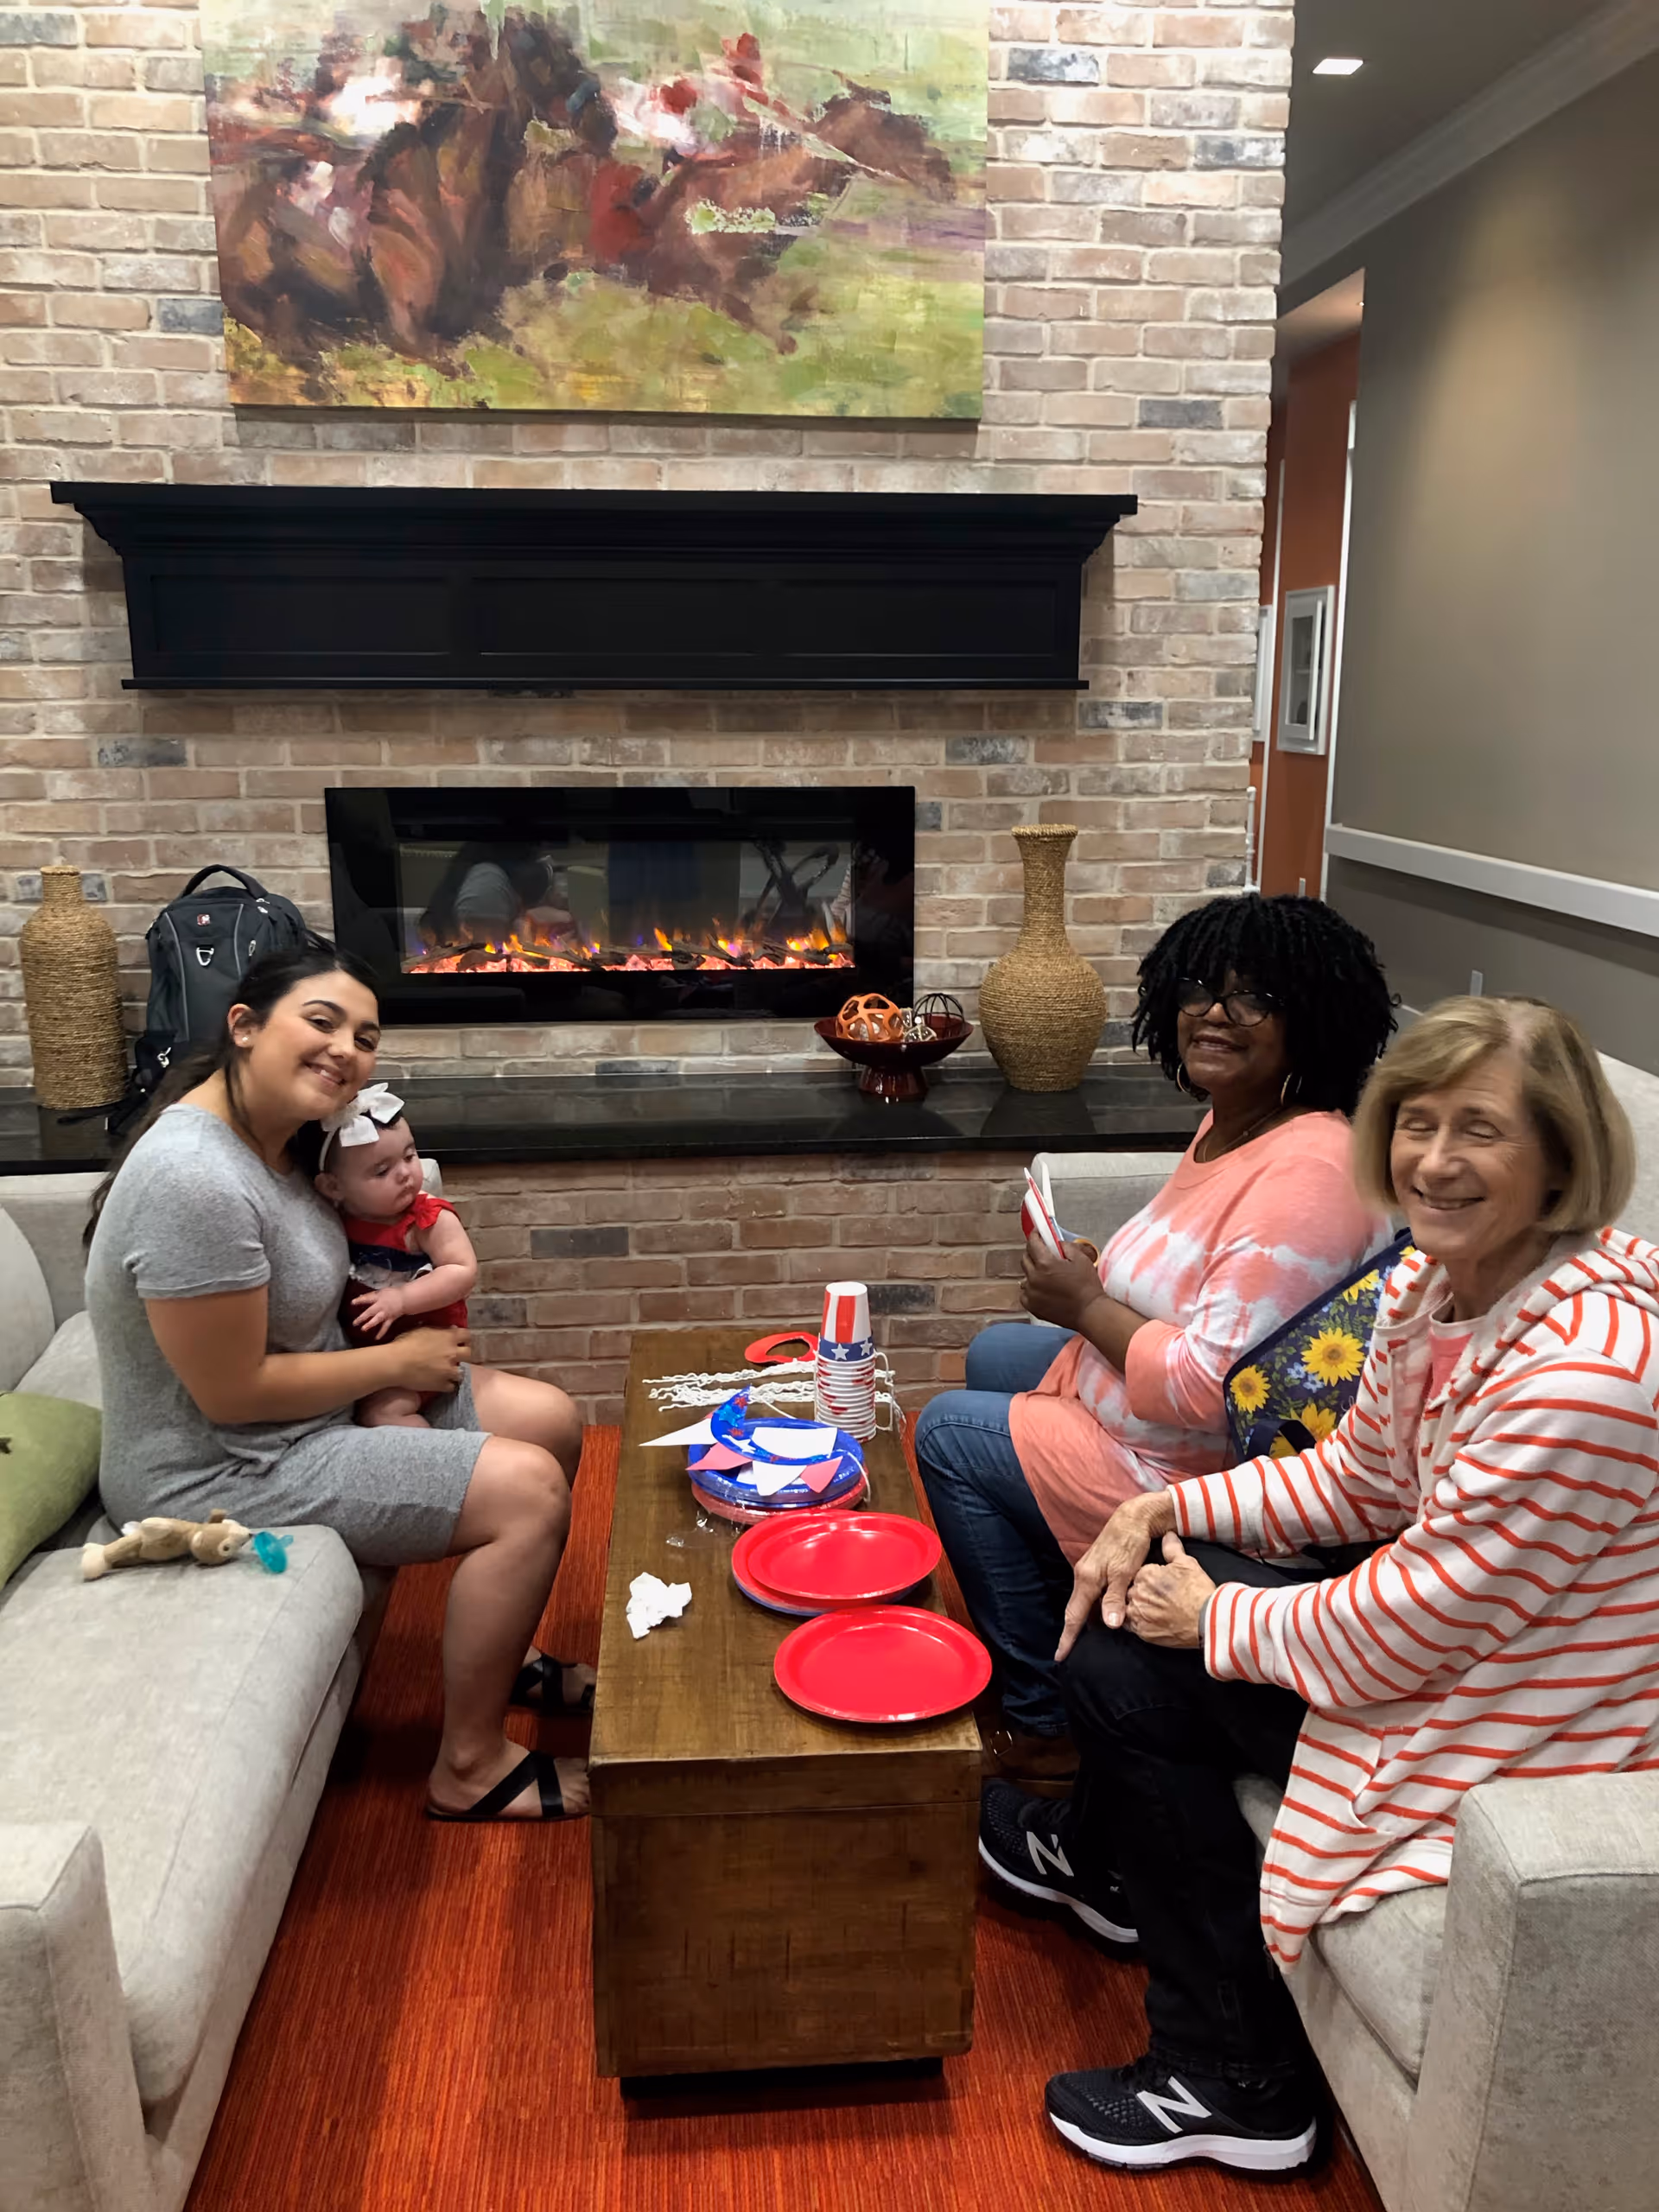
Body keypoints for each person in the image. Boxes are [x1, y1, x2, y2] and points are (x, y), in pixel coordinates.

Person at [978, 995, 1659, 2174]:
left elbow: (1416, 1634)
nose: (1435, 1162)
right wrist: (1165, 1508)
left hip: (1518, 1719)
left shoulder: (1583, 1382)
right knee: (1130, 1619)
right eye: (1417, 1123)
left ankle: (1231, 2077)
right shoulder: (1437, 1289)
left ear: (1561, 1154)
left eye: (1481, 1131)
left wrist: (1214, 1617)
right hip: (1446, 1639)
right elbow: (1356, 1482)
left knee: (1130, 1661)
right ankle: (1140, 1913)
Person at [85, 937, 591, 1825]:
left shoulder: (278, 1144)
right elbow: (232, 1394)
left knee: (550, 1418)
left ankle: (500, 1653)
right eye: (322, 1022)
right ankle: (467, 1767)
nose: (347, 1051)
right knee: (529, 1491)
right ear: (243, 1026)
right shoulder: (196, 1179)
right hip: (223, 1461)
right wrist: (397, 1364)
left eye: (364, 1035)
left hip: (314, 1410)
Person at [915, 893, 1396, 1784]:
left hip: (1204, 1468)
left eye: (1253, 997)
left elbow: (1211, 1390)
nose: (1214, 1012)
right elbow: (1202, 1280)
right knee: (993, 1355)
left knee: (946, 1429)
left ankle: (1042, 1718)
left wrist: (1087, 1305)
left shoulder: (1311, 1171)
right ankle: (1070, 1603)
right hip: (1155, 1413)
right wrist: (1107, 1280)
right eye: (1199, 988)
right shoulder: (1234, 1118)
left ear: (1314, 1019)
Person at [312, 1081, 477, 1430]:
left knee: (381, 1414)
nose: (405, 1173)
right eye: (382, 1170)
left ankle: (440, 1468)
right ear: (333, 1188)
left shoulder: (426, 1219)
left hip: (425, 1344)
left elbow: (462, 1270)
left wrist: (402, 1298)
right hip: (368, 1353)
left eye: (409, 1155)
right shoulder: (336, 1219)